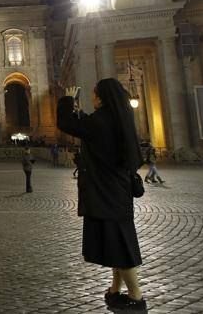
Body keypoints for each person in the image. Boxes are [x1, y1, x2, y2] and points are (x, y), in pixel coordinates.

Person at [57, 79, 147, 311]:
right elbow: (88, 125)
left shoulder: (101, 121)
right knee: (115, 244)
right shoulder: (116, 119)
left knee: (119, 245)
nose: (93, 98)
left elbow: (66, 123)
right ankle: (116, 289)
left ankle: (136, 297)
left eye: (95, 94)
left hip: (106, 194)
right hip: (117, 193)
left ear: (103, 98)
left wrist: (68, 99)